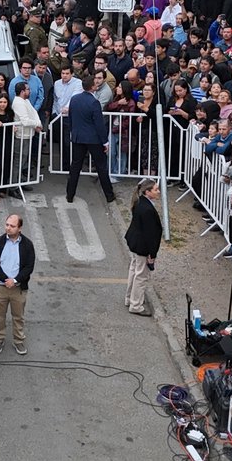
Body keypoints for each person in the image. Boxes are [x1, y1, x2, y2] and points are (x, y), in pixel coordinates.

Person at [0, 214, 35, 356]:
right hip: (0, 287)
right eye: (7, 225)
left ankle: (18, 340)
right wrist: (5, 279)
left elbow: (29, 267)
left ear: (19, 228)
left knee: (18, 316)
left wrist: (14, 281)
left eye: (12, 226)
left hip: (18, 288)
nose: (8, 228)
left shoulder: (27, 245)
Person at [65, 75, 116, 204]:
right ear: (93, 87)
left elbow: (70, 118)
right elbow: (99, 124)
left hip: (78, 137)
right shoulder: (94, 102)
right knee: (101, 167)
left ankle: (69, 195)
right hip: (93, 139)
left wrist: (74, 132)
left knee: (75, 166)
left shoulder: (74, 99)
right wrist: (105, 141)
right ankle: (109, 195)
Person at [124, 179, 162, 316]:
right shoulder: (147, 210)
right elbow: (150, 235)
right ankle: (136, 305)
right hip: (142, 247)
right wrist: (152, 254)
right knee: (141, 276)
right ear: (148, 192)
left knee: (134, 271)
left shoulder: (139, 202)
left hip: (135, 243)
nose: (158, 192)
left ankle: (130, 298)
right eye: (156, 189)